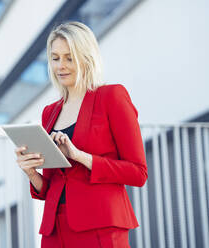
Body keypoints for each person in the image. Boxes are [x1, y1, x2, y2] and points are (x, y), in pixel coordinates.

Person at [14, 21, 148, 248]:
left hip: (101, 226)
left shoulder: (111, 97)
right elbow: (50, 185)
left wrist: (79, 156)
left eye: (69, 58)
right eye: (55, 58)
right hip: (55, 230)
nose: (61, 66)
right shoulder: (50, 112)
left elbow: (138, 173)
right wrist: (30, 171)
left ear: (86, 58)